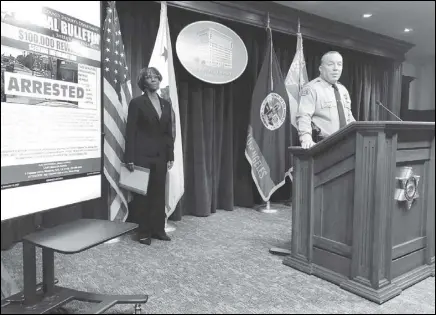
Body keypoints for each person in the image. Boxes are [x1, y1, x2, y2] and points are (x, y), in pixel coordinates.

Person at [124, 67, 174, 245]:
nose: (154, 79)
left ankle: (158, 230)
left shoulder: (166, 104)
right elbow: (131, 132)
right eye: (149, 77)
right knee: (143, 197)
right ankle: (144, 232)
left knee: (159, 195)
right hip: (141, 156)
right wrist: (129, 157)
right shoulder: (137, 103)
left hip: (161, 156)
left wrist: (170, 155)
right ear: (143, 82)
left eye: (156, 76)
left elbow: (168, 132)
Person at [296, 51, 356, 149]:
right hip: (324, 146)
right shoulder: (311, 89)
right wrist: (305, 138)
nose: (336, 68)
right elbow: (304, 116)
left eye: (339, 64)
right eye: (330, 64)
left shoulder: (343, 90)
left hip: (347, 146)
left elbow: (349, 118)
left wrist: (358, 131)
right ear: (321, 69)